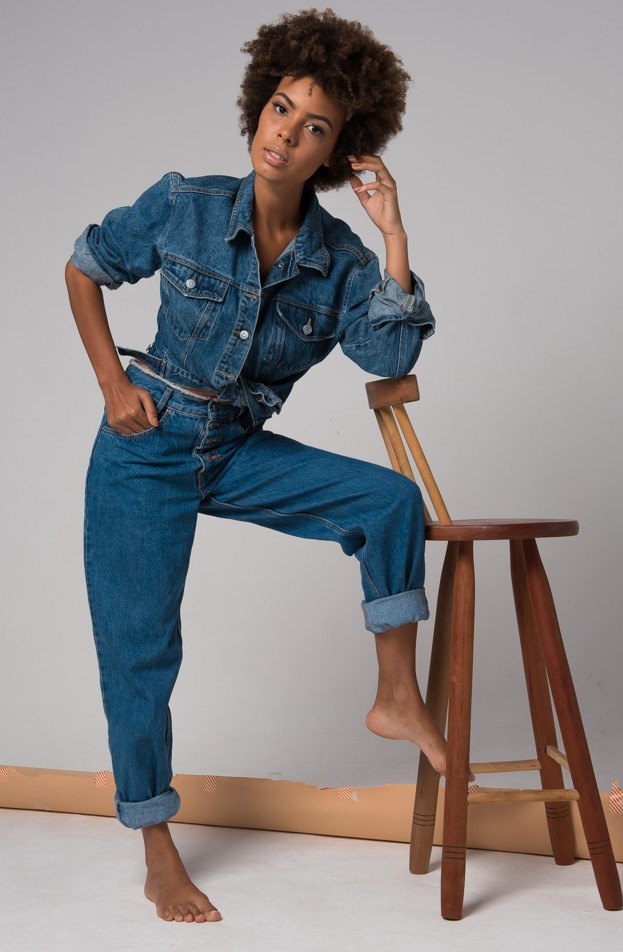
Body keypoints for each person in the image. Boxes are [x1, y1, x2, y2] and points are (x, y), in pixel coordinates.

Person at [65, 7, 447, 925]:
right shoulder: (186, 203)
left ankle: (395, 694)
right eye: (280, 108)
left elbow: (389, 356)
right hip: (147, 446)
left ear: (336, 152)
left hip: (235, 446)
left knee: (388, 502)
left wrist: (392, 235)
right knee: (141, 654)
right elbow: (84, 266)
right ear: (256, 106)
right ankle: (158, 850)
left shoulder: (340, 260)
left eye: (313, 126)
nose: (285, 134)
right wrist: (113, 383)